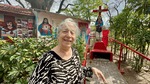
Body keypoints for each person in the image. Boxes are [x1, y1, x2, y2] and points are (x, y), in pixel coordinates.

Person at [28, 18, 107, 84]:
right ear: (58, 34)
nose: (69, 35)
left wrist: (91, 70)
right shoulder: (47, 59)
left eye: (72, 32)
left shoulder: (74, 52)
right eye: (65, 31)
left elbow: (77, 72)